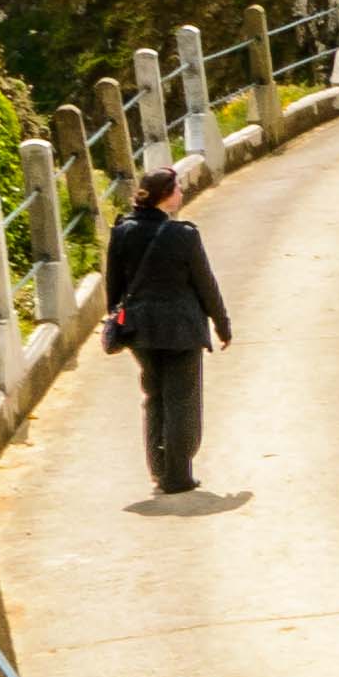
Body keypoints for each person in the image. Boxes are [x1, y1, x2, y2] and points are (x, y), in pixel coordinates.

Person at [99, 161, 229, 494]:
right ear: (167, 197)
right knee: (182, 400)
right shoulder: (183, 235)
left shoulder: (122, 231)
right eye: (178, 189)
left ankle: (159, 468)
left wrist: (117, 323)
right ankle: (178, 474)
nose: (182, 193)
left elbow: (113, 287)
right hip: (181, 329)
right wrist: (222, 324)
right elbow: (206, 285)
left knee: (154, 396)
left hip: (140, 329)